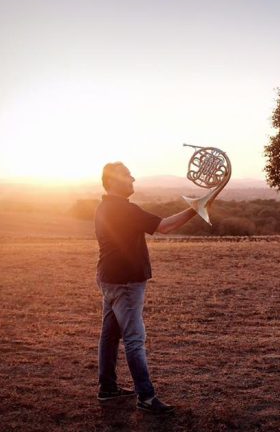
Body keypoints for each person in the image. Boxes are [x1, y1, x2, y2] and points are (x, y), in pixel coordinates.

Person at [94, 162, 198, 414]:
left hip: (109, 278)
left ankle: (107, 388)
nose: (133, 179)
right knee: (134, 340)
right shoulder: (124, 210)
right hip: (126, 283)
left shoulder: (104, 206)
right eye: (128, 176)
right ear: (115, 180)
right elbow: (164, 226)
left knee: (110, 336)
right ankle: (146, 397)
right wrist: (195, 209)